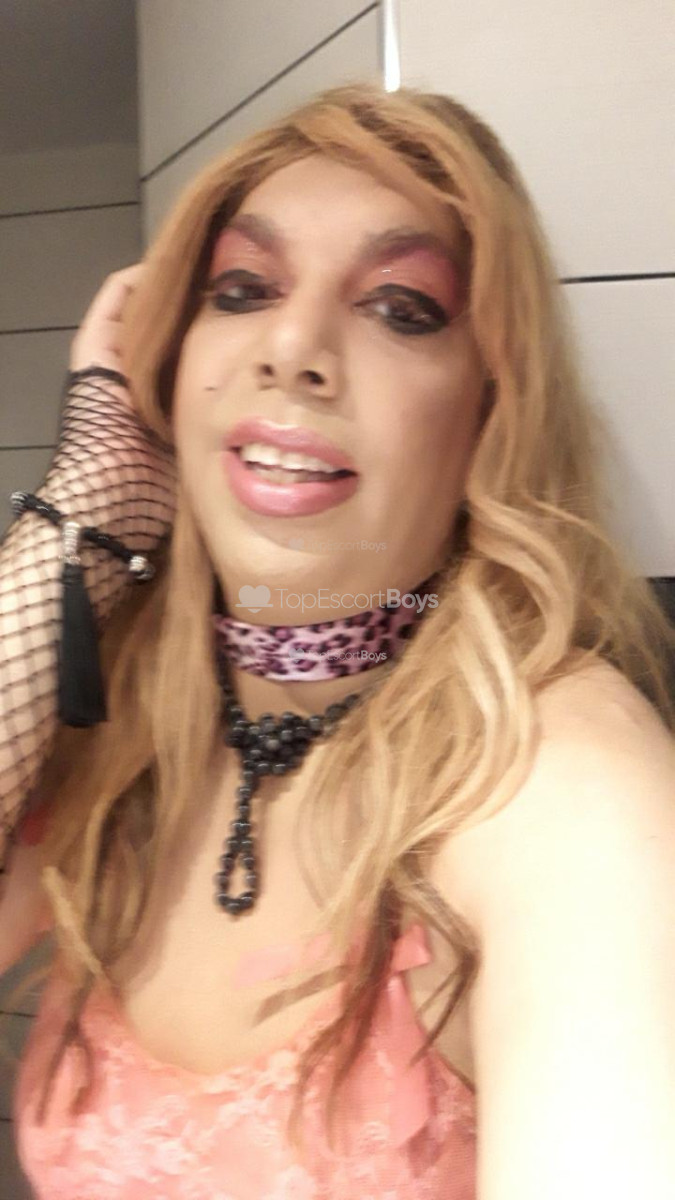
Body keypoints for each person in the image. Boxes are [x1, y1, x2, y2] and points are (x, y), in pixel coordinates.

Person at [0, 81, 674, 1199]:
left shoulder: (563, 788)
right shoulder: (128, 721)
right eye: (241, 289)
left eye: (401, 308)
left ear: (490, 407)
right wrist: (90, 499)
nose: (292, 347)